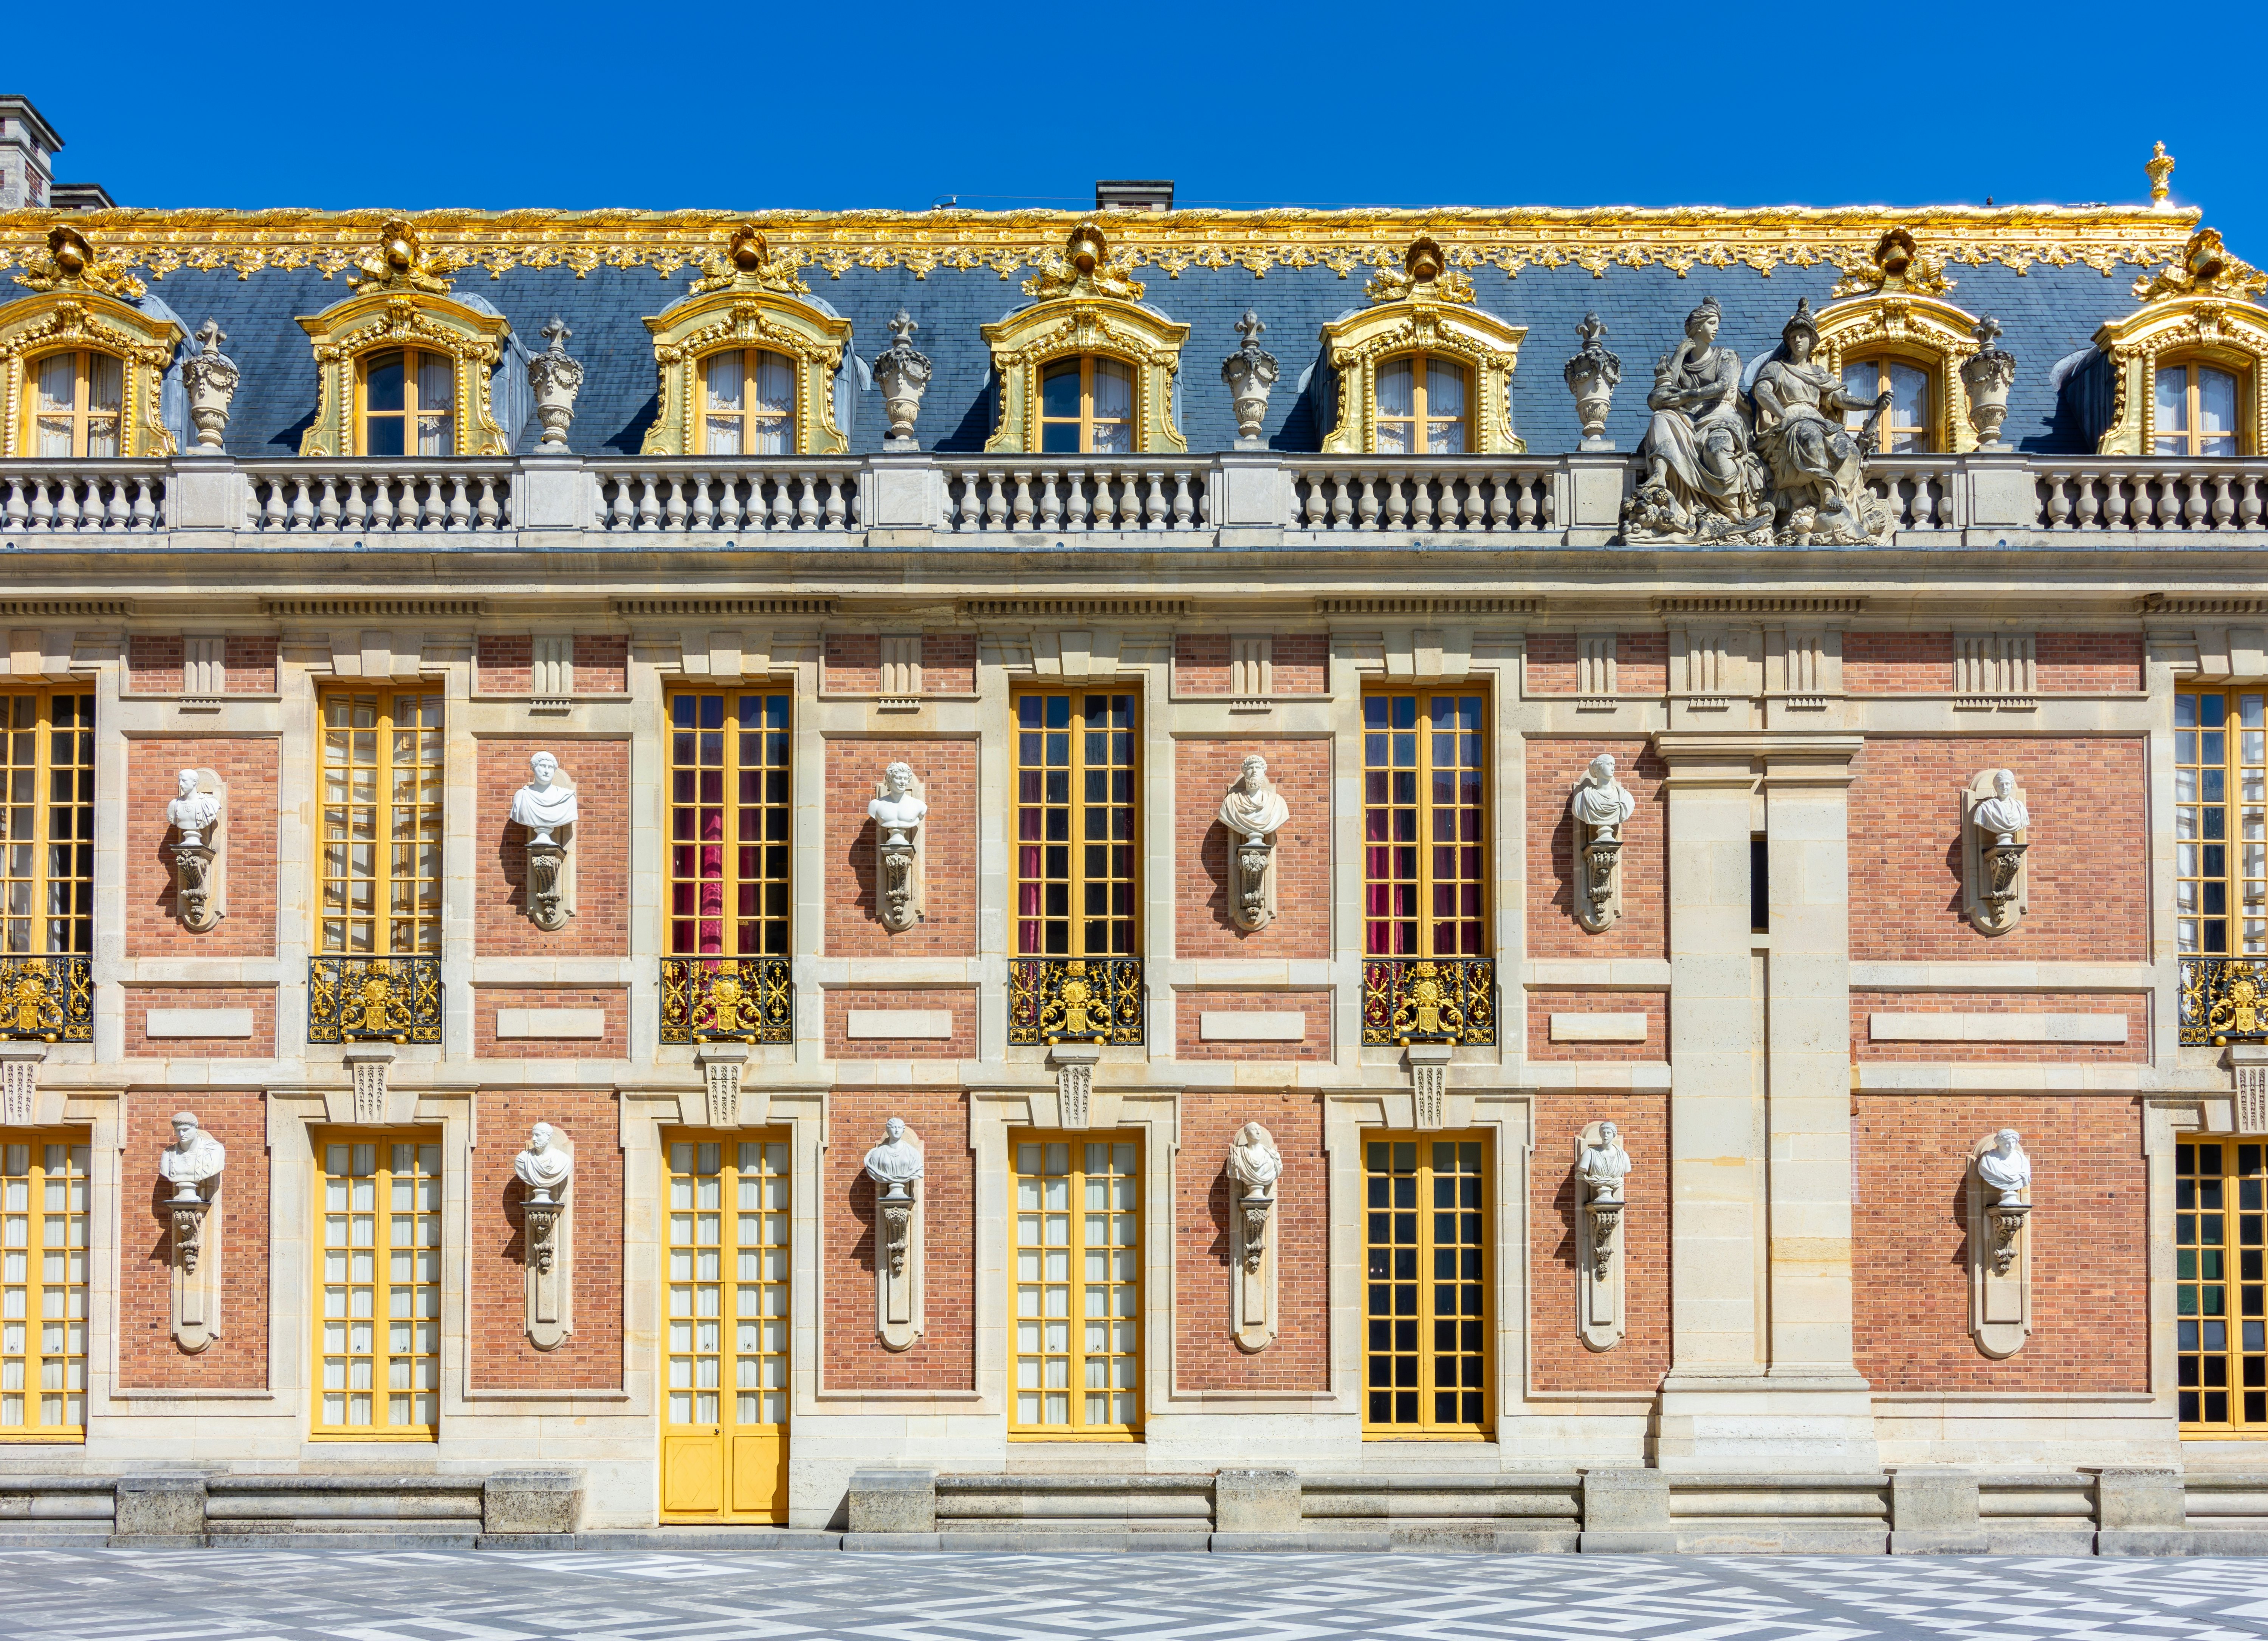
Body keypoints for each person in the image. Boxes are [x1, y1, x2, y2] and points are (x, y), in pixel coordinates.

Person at [1751, 299, 1891, 543]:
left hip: (1816, 420)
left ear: (1812, 341)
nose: (1797, 340)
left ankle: (1843, 503)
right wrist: (1783, 415)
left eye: (1803, 336)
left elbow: (1840, 399)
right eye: (1793, 336)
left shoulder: (1819, 375)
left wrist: (1872, 404)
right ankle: (1827, 492)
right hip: (1791, 421)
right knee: (1810, 434)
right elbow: (1762, 392)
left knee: (1849, 450)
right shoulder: (1777, 369)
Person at [1632, 296, 1768, 534]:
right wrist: (1678, 355)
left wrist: (1687, 396)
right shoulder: (1683, 365)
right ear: (1698, 326)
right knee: (1661, 418)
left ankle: (1730, 507)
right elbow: (1660, 397)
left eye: (1717, 323)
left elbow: (1723, 386)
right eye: (1712, 323)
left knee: (1716, 450)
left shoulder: (1727, 356)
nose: (1716, 328)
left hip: (1722, 418)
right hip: (1692, 421)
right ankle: (1660, 476)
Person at [510, 752, 577, 846]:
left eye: (550, 768)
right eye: (542, 766)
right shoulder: (522, 796)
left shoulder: (567, 798)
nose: (546, 771)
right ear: (534, 768)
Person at [1218, 755, 1291, 840]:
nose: (1254, 771)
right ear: (1245, 773)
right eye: (1250, 768)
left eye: (1258, 768)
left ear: (1263, 773)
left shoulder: (1277, 802)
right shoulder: (1231, 802)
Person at [1569, 753, 1636, 842]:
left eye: (1614, 765)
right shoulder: (1582, 798)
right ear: (1599, 768)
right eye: (1610, 765)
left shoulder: (1625, 797)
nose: (1613, 768)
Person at [864, 1118, 924, 1199]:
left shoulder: (912, 1153)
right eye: (893, 1127)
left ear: (903, 1131)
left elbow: (918, 1172)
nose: (896, 1130)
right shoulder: (878, 1154)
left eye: (899, 1128)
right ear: (888, 1130)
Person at [868, 763, 927, 845]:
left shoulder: (919, 806)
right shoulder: (876, 805)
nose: (903, 782)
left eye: (906, 779)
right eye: (899, 778)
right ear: (890, 780)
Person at [514, 1123, 573, 1202]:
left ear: (548, 1137)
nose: (534, 1139)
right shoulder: (522, 1159)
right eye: (533, 1135)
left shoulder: (564, 1161)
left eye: (538, 1135)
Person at [167, 769, 220, 849]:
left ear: (195, 782)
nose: (181, 784)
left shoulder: (208, 803)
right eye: (180, 781)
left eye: (184, 781)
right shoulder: (174, 804)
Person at [1579, 1121, 1631, 1203]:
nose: (1606, 1135)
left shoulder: (1623, 1156)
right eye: (1603, 1133)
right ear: (1600, 1134)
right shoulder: (1590, 1153)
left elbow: (1627, 1169)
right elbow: (1583, 1168)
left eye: (1609, 1133)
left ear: (1614, 1135)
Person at [1225, 1122, 1282, 1196]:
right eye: (1254, 1130)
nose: (1258, 1132)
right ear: (1247, 1133)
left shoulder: (1271, 1155)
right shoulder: (1237, 1155)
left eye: (1259, 1130)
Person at [1975, 770, 2029, 843]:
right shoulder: (1985, 808)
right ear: (1996, 788)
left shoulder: (2021, 808)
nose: (2004, 787)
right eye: (2001, 784)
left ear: (2011, 786)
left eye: (2007, 784)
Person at [1977, 1129, 2030, 1203]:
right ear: (2000, 1143)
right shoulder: (1989, 1160)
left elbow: (2026, 1176)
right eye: (2007, 1143)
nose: (2011, 1146)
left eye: (2014, 1142)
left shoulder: (2022, 1160)